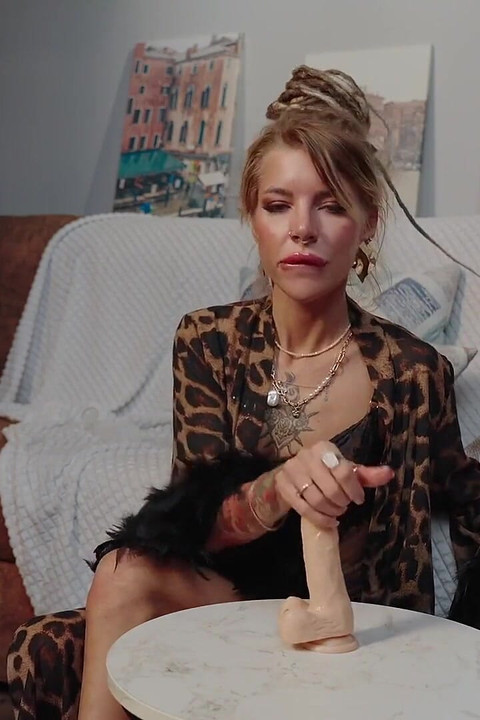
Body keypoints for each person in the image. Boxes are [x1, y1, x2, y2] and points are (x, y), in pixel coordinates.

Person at [7, 65, 480, 720]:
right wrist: (278, 488)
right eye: (278, 205)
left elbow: (465, 499)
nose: (302, 229)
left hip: (347, 624)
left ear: (368, 223)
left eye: (331, 205)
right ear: (252, 218)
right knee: (73, 620)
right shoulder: (208, 342)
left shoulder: (413, 371)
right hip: (233, 601)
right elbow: (191, 522)